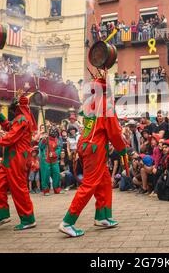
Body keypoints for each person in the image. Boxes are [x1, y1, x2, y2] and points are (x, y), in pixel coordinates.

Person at [59, 77, 128, 237]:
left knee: (104, 182)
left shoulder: (90, 104)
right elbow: (114, 133)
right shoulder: (106, 105)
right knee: (89, 185)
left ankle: (102, 216)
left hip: (87, 146)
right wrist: (122, 149)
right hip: (96, 149)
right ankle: (67, 222)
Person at [0, 93, 38, 230]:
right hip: (9, 158)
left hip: (17, 158)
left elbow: (11, 136)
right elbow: (8, 126)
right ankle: (1, 215)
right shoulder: (20, 118)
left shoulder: (23, 119)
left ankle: (28, 219)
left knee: (18, 188)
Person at [39, 126, 62, 195]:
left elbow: (59, 149)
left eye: (55, 131)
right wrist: (43, 140)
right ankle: (46, 190)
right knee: (45, 175)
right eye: (52, 131)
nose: (53, 132)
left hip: (54, 160)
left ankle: (57, 189)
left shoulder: (57, 140)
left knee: (57, 174)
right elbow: (41, 147)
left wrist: (54, 153)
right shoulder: (45, 138)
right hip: (45, 160)